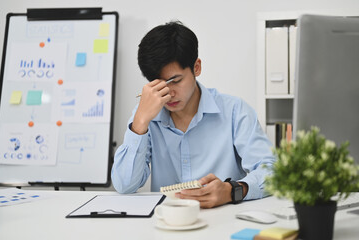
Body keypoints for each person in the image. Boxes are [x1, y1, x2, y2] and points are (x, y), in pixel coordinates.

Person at [111, 21, 275, 208]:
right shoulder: (145, 115)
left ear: (196, 67)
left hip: (225, 222)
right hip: (167, 225)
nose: (168, 94)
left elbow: (271, 170)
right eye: (158, 84)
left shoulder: (235, 111)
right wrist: (140, 122)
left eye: (175, 81)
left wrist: (233, 190)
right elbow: (125, 185)